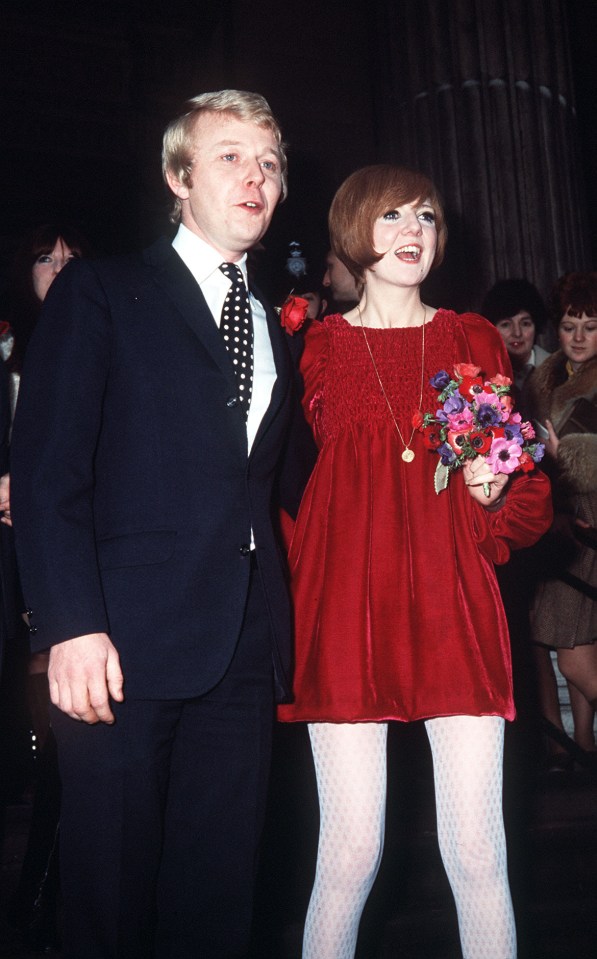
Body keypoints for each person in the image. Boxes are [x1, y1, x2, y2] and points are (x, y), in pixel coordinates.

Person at [9, 89, 299, 959]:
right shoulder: (102, 291)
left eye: (270, 162)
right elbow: (52, 469)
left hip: (242, 645)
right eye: (229, 156)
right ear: (178, 176)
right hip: (122, 642)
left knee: (218, 893)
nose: (255, 176)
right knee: (114, 894)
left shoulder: (276, 325)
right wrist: (70, 625)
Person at [278, 164, 552, 959]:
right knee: (347, 857)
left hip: (448, 605)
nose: (411, 230)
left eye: (427, 217)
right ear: (352, 233)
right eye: (391, 214)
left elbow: (522, 498)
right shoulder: (316, 347)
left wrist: (494, 487)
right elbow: (289, 488)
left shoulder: (472, 337)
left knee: (475, 854)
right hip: (345, 614)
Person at [527, 271, 597, 760]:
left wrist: (562, 453)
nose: (577, 337)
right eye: (570, 325)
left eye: (590, 327)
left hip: (586, 521)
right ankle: (581, 744)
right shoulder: (545, 375)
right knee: (573, 643)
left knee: (574, 656)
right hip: (551, 520)